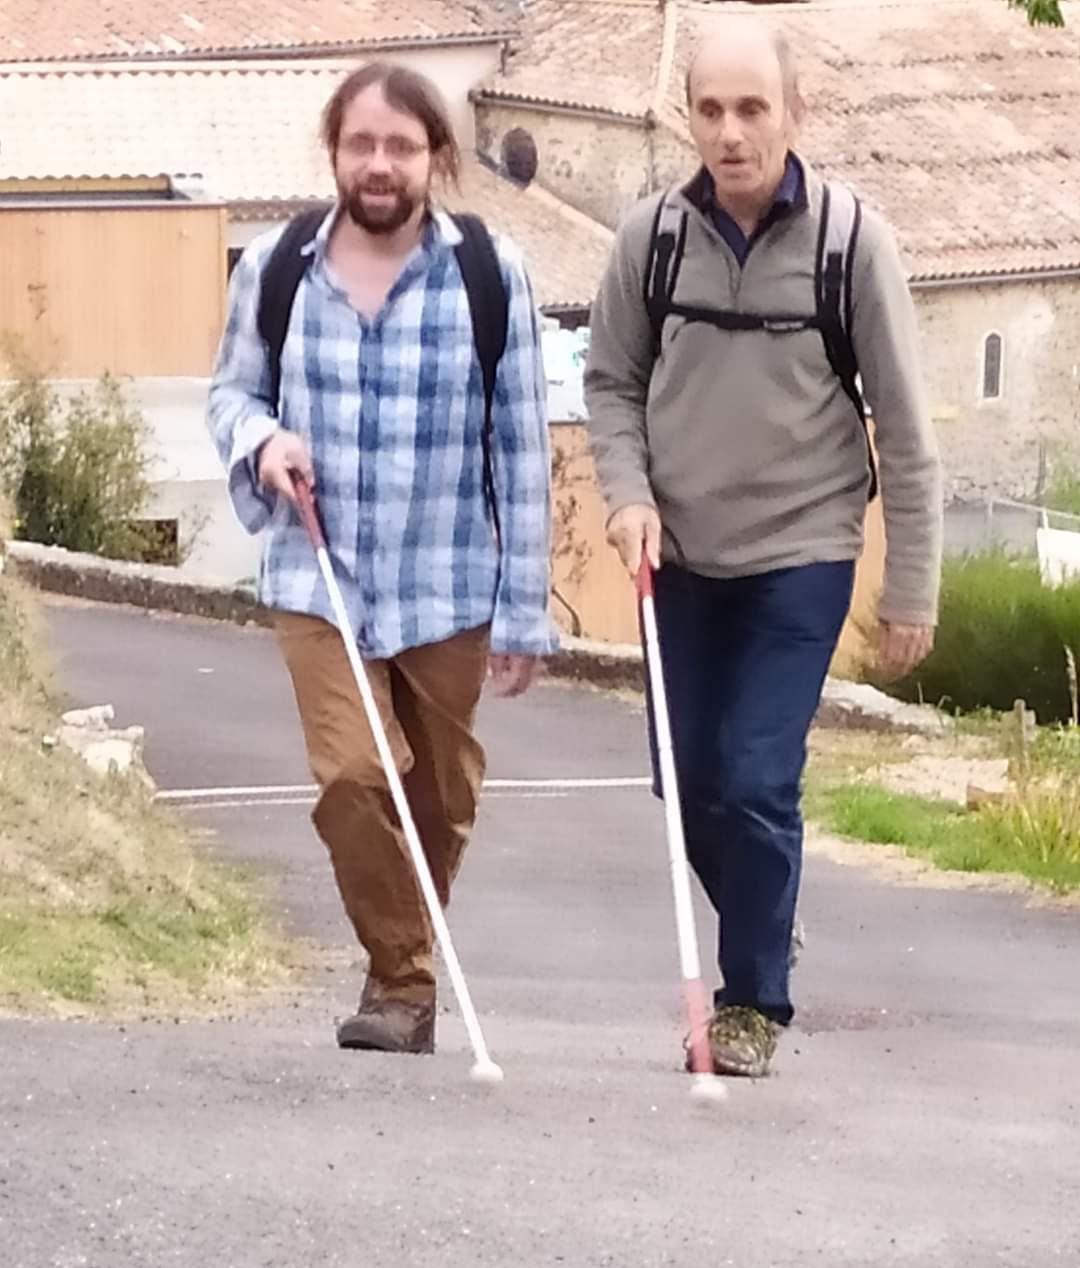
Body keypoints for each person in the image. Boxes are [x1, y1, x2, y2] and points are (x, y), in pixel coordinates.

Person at [584, 16, 943, 1078]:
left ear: (795, 113)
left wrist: (911, 589)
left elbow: (908, 430)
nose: (731, 133)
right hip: (680, 555)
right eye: (710, 110)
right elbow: (610, 386)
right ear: (685, 115)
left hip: (805, 549)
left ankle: (753, 1004)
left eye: (752, 109)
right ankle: (762, 916)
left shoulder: (849, 244)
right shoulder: (649, 241)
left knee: (753, 775)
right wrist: (627, 495)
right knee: (686, 778)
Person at [208, 63, 553, 1054]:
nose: (379, 162)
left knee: (439, 802)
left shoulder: (492, 274)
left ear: (435, 159)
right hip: (318, 576)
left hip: (449, 582)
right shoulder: (275, 269)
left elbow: (521, 449)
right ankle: (403, 984)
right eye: (361, 143)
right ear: (335, 152)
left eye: (401, 146)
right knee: (357, 778)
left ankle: (396, 967)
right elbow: (231, 396)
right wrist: (265, 444)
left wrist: (525, 610)